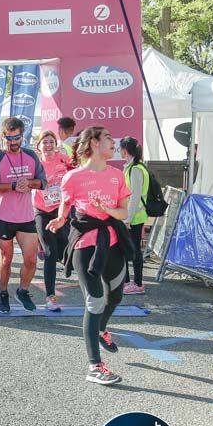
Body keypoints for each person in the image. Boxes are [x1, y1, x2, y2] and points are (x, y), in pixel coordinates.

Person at [46, 126, 135, 385]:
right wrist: (61, 218)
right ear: (95, 143)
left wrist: (107, 208)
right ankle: (95, 366)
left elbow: (123, 213)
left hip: (114, 243)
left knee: (116, 296)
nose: (113, 142)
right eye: (108, 138)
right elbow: (66, 202)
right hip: (85, 245)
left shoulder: (117, 176)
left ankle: (101, 329)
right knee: (95, 302)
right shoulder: (73, 177)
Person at [0, 117, 46, 313]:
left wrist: (29, 183)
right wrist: (11, 185)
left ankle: (23, 291)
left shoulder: (31, 156)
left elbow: (43, 182)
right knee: (6, 258)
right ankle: (3, 293)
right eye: (9, 138)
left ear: (22, 136)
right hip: (3, 216)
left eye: (17, 137)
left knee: (31, 259)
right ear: (3, 137)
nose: (14, 142)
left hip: (26, 215)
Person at [33, 130, 71, 311]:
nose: (48, 146)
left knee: (63, 249)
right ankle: (50, 296)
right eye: (44, 142)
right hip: (42, 210)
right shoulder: (35, 164)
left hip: (61, 210)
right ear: (38, 146)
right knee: (50, 252)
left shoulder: (64, 160)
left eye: (51, 142)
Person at [120, 137, 149, 295]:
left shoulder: (136, 169)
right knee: (129, 249)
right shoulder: (133, 167)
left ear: (124, 150)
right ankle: (130, 281)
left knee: (134, 250)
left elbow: (135, 197)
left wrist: (127, 219)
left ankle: (137, 283)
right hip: (134, 215)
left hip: (134, 217)